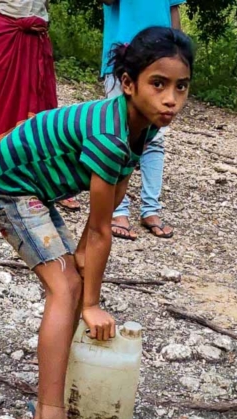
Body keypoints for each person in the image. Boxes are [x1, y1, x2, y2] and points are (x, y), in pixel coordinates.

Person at [0, 27, 194, 419]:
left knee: (72, 278)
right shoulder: (112, 136)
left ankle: (59, 395)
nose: (171, 99)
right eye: (159, 84)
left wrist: (87, 287)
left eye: (181, 87)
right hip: (6, 185)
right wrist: (90, 302)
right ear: (129, 84)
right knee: (68, 287)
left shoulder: (140, 130)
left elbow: (108, 213)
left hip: (32, 189)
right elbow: (98, 229)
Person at [0, 0, 81, 212]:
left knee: (44, 105)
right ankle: (8, 173)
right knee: (8, 102)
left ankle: (49, 181)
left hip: (38, 35)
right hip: (7, 30)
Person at [102, 0, 185, 240]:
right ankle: (117, 211)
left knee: (156, 137)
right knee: (118, 135)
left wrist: (179, 60)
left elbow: (173, 10)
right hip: (123, 55)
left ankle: (151, 209)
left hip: (163, 60)